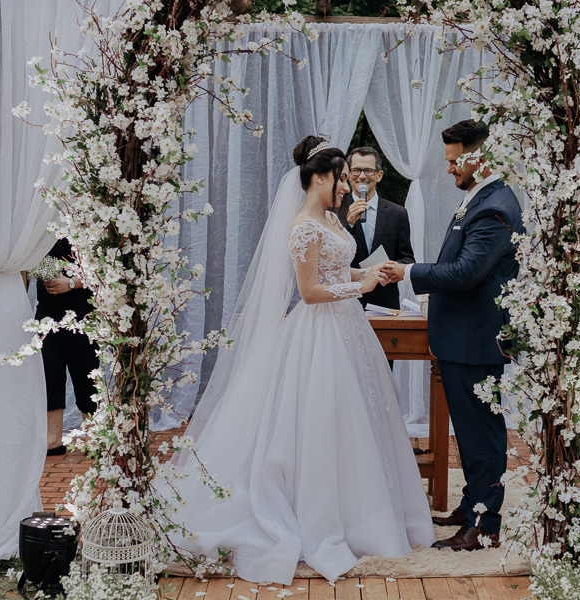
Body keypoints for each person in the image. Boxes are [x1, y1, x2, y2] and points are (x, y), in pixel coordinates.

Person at [166, 136, 435, 584]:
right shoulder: (302, 226)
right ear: (319, 177)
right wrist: (362, 287)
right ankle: (319, 515)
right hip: (319, 332)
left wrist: (368, 272)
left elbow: (336, 270)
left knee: (358, 419)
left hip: (349, 328)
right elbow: (309, 292)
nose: (348, 186)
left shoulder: (329, 219)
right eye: (342, 178)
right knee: (320, 420)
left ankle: (364, 510)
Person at [382, 120, 524, 551]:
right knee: (470, 431)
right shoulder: (480, 198)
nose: (448, 169)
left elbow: (465, 272)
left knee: (481, 435)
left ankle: (484, 523)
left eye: (454, 161)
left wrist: (407, 271)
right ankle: (471, 506)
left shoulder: (495, 208)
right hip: (463, 338)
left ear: (481, 156)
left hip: (474, 340)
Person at [35, 238, 98, 456]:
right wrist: (49, 277)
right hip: (47, 309)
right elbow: (31, 255)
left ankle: (93, 434)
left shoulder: (88, 224)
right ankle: (53, 438)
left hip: (81, 309)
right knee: (49, 371)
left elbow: (106, 267)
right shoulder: (40, 225)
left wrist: (71, 283)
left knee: (85, 370)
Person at [336, 146, 415, 310]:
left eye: (368, 171)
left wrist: (390, 268)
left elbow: (407, 258)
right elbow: (329, 256)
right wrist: (349, 224)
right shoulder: (334, 210)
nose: (362, 176)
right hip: (346, 300)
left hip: (384, 301)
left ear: (379, 176)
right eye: (356, 170)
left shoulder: (397, 213)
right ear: (349, 175)